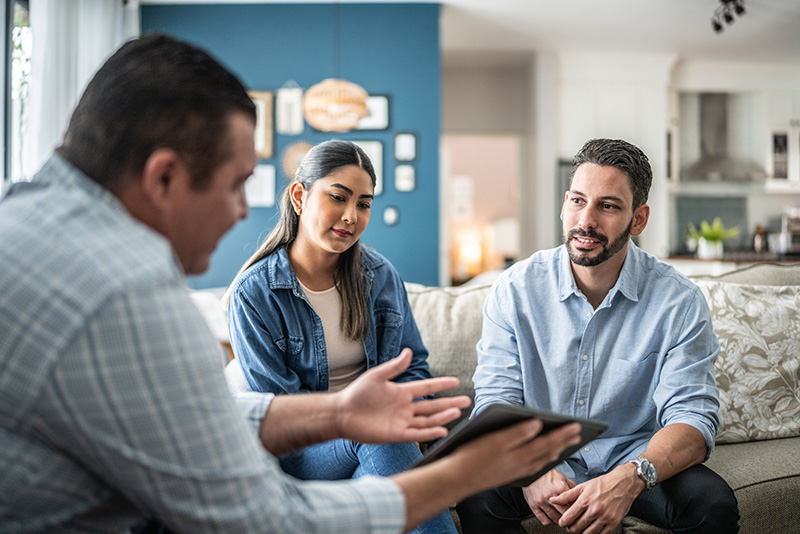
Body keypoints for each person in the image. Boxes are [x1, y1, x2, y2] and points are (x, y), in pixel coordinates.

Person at [0, 33, 584, 534]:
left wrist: (340, 414)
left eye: (364, 203)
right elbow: (260, 517)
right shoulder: (129, 297)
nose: (237, 212)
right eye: (236, 185)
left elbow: (201, 421)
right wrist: (461, 474)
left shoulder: (23, 222)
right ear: (165, 177)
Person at [456, 138, 739, 534]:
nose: (585, 220)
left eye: (607, 206)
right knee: (476, 495)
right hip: (542, 454)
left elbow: (692, 418)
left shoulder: (679, 301)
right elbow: (495, 400)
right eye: (577, 200)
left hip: (634, 458)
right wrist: (531, 468)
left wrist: (632, 476)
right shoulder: (516, 289)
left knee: (713, 506)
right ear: (564, 204)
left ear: (638, 220)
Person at [225, 139, 457, 532]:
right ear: (299, 196)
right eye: (338, 197)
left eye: (364, 204)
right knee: (382, 439)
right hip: (302, 451)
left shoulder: (379, 276)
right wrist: (359, 421)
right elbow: (278, 411)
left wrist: (411, 419)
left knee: (387, 450)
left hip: (377, 443)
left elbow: (412, 364)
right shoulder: (253, 294)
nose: (351, 216)